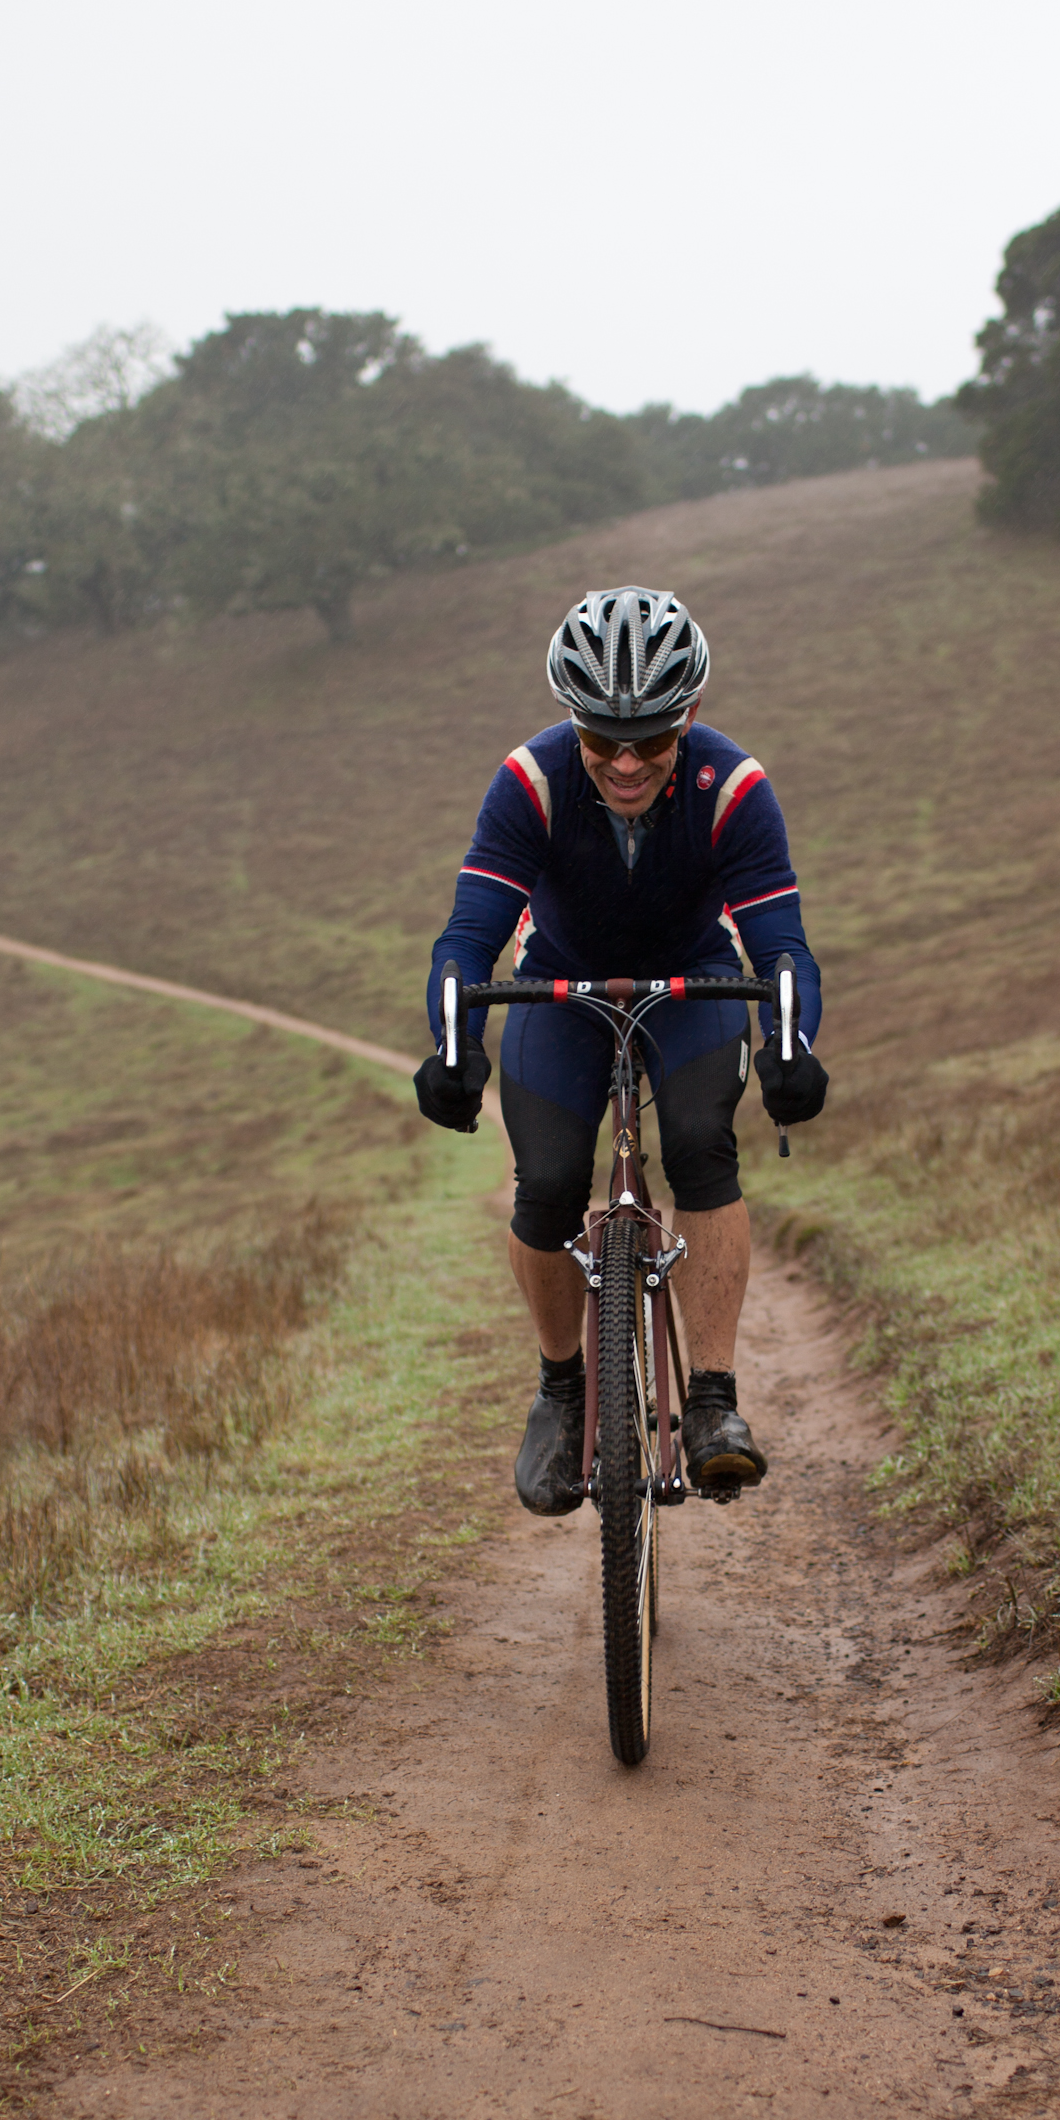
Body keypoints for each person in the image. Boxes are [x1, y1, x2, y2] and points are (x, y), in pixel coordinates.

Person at [415, 585, 827, 1515]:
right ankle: (562, 1392)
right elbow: (468, 937)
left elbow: (780, 948)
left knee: (700, 1146)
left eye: (653, 735)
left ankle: (712, 1402)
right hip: (560, 983)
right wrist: (453, 1043)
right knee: (548, 1181)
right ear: (573, 721)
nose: (628, 761)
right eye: (602, 739)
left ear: (690, 714)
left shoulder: (733, 788)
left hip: (691, 980)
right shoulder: (530, 783)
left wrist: (790, 1044)